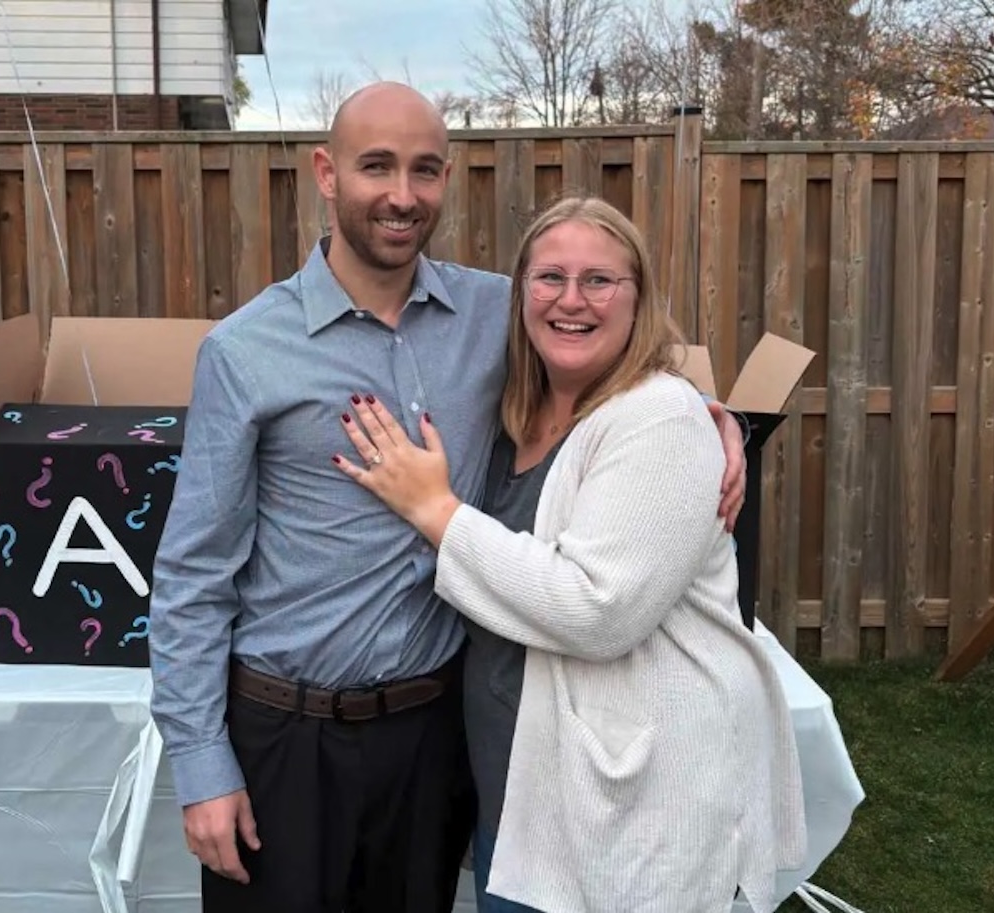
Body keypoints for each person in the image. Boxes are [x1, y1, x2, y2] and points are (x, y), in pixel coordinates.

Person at [148, 82, 750, 913]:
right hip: (286, 735)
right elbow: (193, 573)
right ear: (326, 172)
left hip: (432, 737)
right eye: (377, 167)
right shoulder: (245, 351)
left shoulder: (494, 313)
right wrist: (200, 761)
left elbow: (609, 343)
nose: (403, 195)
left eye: (424, 170)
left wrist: (707, 413)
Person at [333, 195, 807, 913]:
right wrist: (725, 416)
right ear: (520, 294)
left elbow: (597, 610)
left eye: (599, 280)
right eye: (550, 277)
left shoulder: (660, 418)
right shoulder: (516, 411)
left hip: (633, 814)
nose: (571, 300)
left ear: (639, 298)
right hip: (526, 805)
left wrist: (435, 511)